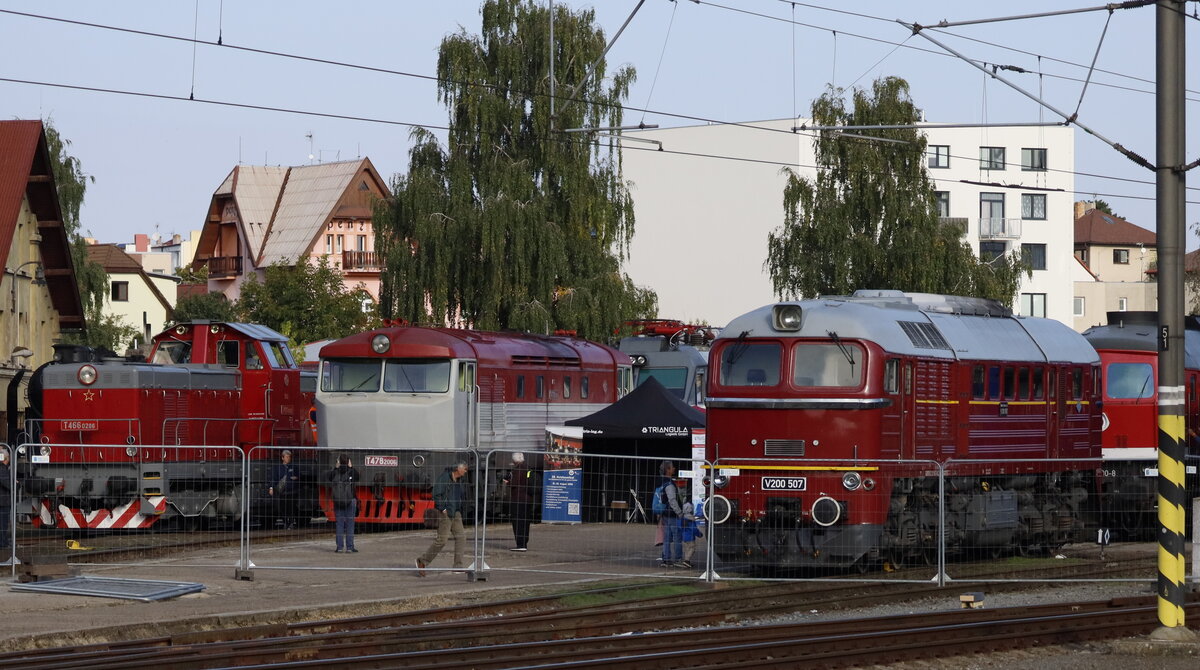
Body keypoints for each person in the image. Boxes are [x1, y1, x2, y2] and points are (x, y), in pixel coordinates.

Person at [416, 460, 469, 576]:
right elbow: (436, 493)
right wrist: (442, 508)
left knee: (461, 537)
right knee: (442, 540)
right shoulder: (445, 478)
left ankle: (458, 566)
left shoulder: (459, 480)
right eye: (465, 469)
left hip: (456, 512)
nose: (466, 471)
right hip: (446, 513)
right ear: (458, 468)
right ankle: (423, 561)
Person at [327, 453, 360, 553]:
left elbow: (329, 477)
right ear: (348, 462)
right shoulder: (351, 472)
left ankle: (339, 547)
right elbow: (357, 477)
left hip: (338, 500)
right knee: (350, 523)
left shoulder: (335, 472)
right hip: (350, 500)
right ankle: (350, 547)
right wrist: (351, 467)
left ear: (338, 462)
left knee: (339, 524)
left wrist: (336, 467)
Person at [504, 452, 535, 551]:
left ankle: (520, 545)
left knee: (518, 522)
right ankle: (524, 543)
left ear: (514, 460)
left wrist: (507, 482)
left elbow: (514, 483)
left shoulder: (518, 470)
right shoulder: (528, 468)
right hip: (528, 500)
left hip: (518, 500)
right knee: (526, 523)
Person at [657, 460, 685, 567]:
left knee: (666, 537)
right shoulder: (669, 483)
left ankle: (666, 559)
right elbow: (672, 500)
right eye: (672, 467)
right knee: (677, 537)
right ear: (668, 469)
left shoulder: (660, 481)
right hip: (672, 514)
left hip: (664, 513)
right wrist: (680, 513)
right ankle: (678, 559)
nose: (674, 469)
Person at [267, 450, 300, 529]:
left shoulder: (294, 467)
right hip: (282, 492)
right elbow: (273, 478)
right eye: (287, 457)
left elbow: (300, 476)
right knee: (282, 508)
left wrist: (296, 478)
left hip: (292, 491)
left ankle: (291, 522)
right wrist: (271, 488)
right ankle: (285, 522)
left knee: (292, 507)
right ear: (282, 458)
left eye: (289, 457)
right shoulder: (277, 468)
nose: (288, 458)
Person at [679, 500, 703, 569]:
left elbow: (679, 526)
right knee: (692, 548)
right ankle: (687, 560)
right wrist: (699, 534)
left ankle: (687, 561)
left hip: (684, 536)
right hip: (690, 537)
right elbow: (694, 529)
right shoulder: (691, 520)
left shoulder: (682, 518)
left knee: (687, 548)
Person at [0, 450, 11, 553]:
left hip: (3, 501)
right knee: (3, 524)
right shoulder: (2, 469)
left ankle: (4, 541)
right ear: (6, 458)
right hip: (3, 501)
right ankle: (3, 543)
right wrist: (15, 484)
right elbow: (6, 483)